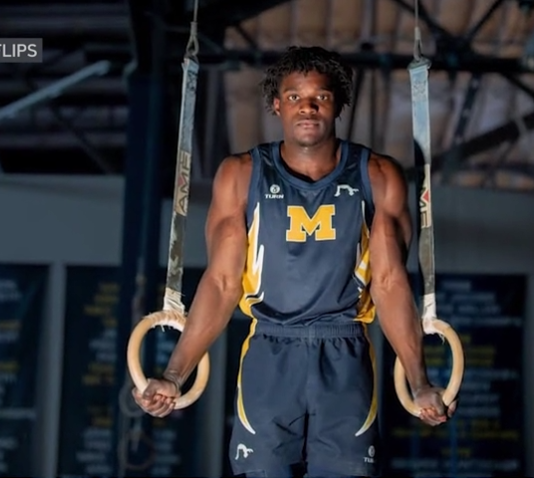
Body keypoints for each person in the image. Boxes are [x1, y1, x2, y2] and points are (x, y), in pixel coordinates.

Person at [133, 45, 457, 477]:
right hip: (270, 349)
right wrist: (174, 375)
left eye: (320, 97)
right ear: (276, 105)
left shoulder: (378, 176)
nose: (307, 107)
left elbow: (391, 283)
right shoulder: (241, 175)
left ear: (338, 104)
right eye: (293, 97)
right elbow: (222, 283)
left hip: (344, 351)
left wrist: (419, 382)